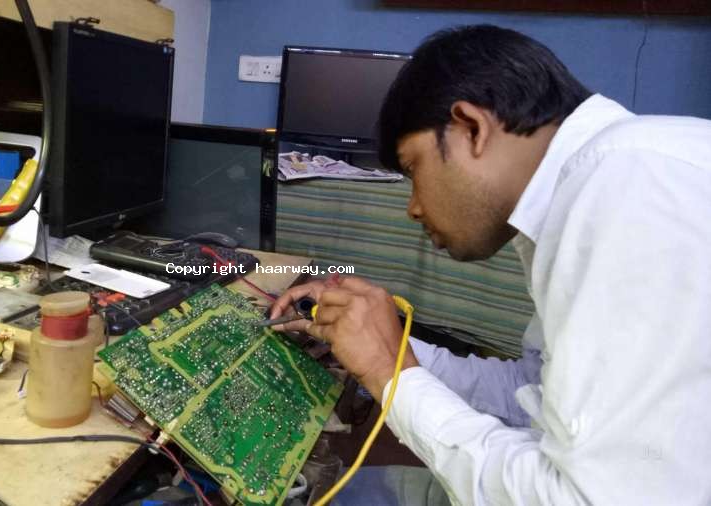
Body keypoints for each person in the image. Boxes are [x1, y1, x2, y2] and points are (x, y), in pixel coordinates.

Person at [270, 25, 711, 505]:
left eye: (414, 168)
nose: (412, 208)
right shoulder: (598, 184)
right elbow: (533, 394)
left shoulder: (629, 191)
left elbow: (581, 498)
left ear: (471, 128)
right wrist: (388, 347)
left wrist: (386, 372)